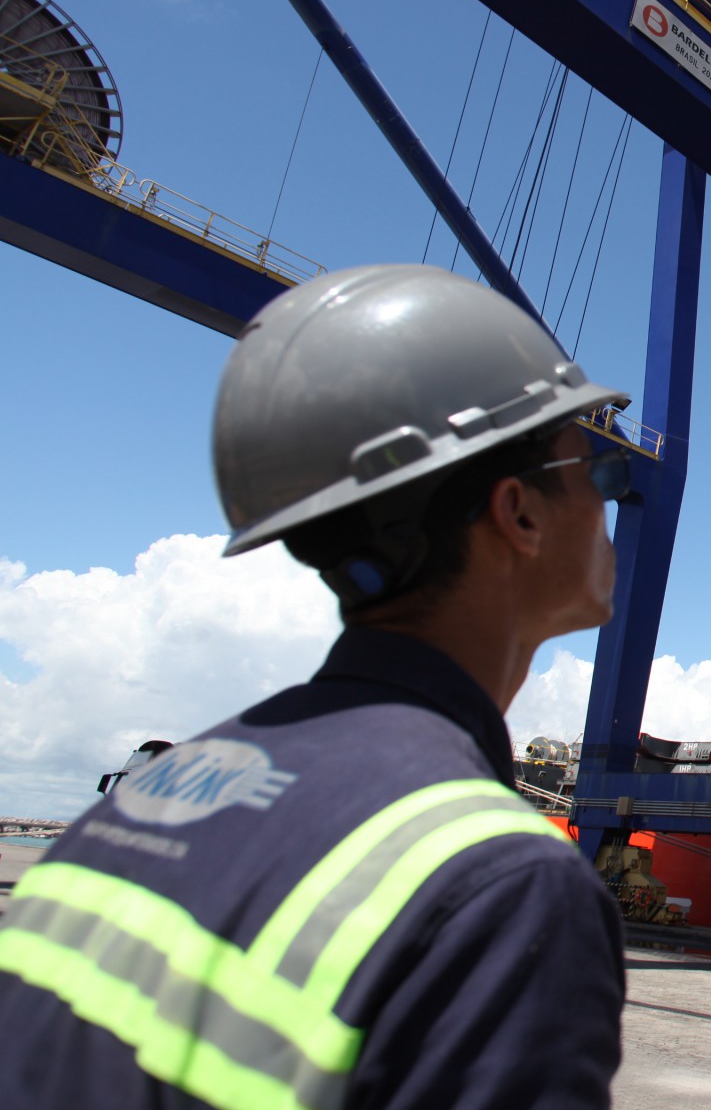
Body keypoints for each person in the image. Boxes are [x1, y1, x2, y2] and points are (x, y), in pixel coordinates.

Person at [0, 265, 632, 1108]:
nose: (610, 501)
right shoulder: (502, 890)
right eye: (598, 472)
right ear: (518, 513)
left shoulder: (142, 804)